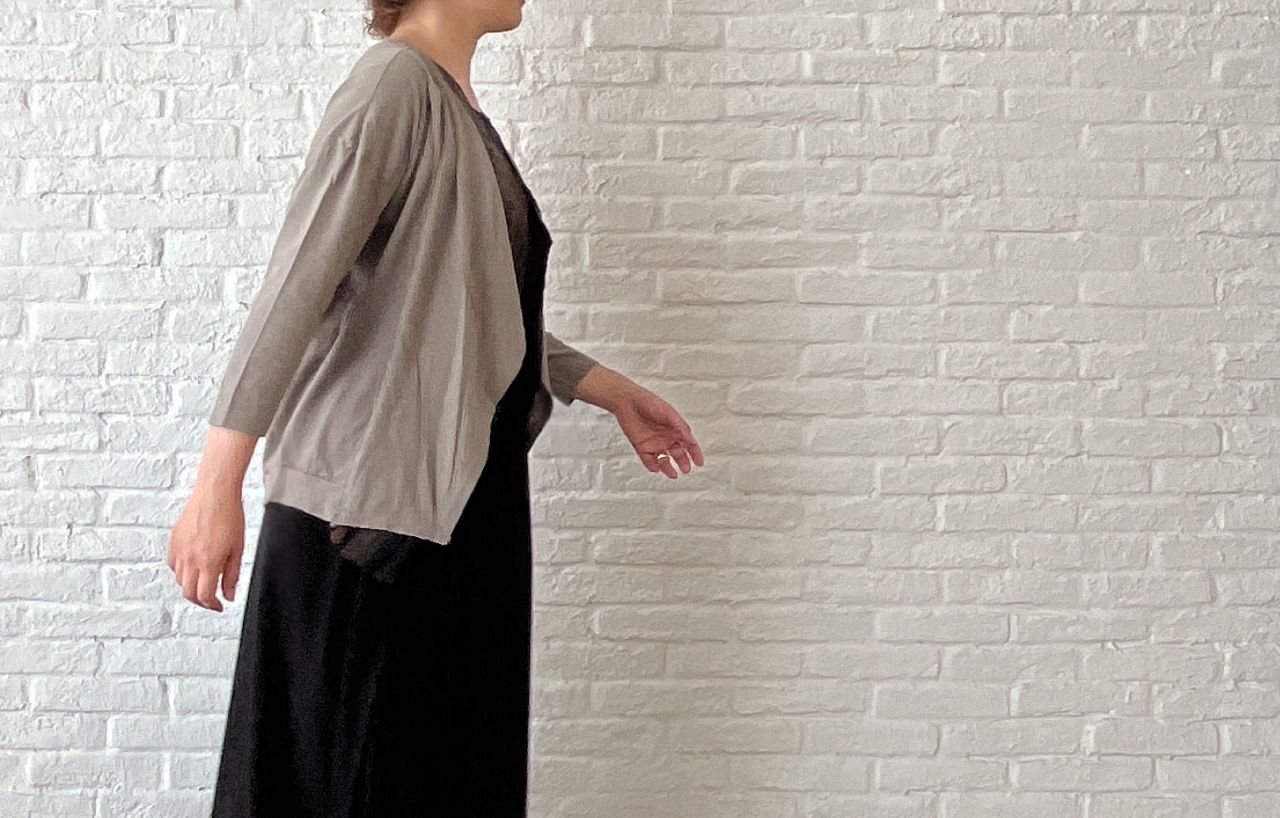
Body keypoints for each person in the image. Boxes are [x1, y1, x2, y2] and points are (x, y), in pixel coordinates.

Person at [168, 0, 705, 814]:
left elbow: (467, 313)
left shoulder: (454, 106)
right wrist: (217, 485)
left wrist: (609, 388)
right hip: (370, 519)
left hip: (457, 508)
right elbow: (295, 288)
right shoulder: (393, 86)